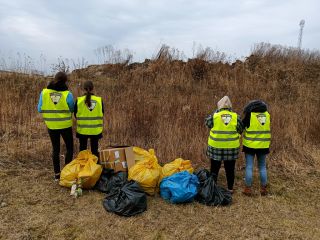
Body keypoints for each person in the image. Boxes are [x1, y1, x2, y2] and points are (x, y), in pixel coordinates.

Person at [37, 72, 74, 181]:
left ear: (55, 78)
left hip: (51, 126)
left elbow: (39, 109)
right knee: (70, 148)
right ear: (65, 81)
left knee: (56, 149)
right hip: (65, 125)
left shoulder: (44, 92)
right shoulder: (68, 94)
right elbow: (72, 109)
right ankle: (67, 173)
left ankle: (57, 175)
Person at [205, 96, 243, 193]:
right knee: (230, 169)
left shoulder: (215, 116)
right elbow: (240, 129)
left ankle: (213, 188)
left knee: (214, 168)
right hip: (231, 147)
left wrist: (216, 112)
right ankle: (230, 189)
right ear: (230, 106)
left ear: (219, 106)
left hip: (215, 147)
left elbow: (207, 124)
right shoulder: (236, 117)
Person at [242, 100, 271, 196]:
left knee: (249, 166)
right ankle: (263, 189)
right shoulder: (267, 115)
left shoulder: (250, 115)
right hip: (263, 145)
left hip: (250, 145)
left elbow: (242, 127)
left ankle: (248, 189)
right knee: (262, 167)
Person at [74, 80, 104, 158]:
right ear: (93, 88)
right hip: (95, 130)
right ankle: (95, 167)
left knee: (82, 149)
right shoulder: (99, 100)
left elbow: (75, 114)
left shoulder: (79, 100)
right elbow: (102, 113)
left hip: (82, 130)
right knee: (94, 150)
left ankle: (82, 166)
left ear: (83, 88)